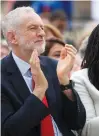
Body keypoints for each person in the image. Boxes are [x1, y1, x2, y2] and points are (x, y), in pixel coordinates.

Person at [1, 6, 86, 136]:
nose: (42, 33)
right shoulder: (2, 75)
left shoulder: (53, 66)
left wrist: (65, 83)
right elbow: (10, 131)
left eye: (42, 28)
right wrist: (39, 91)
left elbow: (77, 122)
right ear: (13, 37)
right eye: (33, 28)